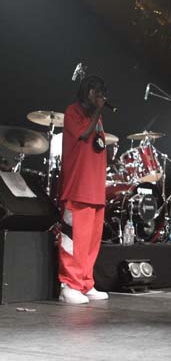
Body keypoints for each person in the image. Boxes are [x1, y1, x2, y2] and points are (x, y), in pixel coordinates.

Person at [57, 75, 110, 304]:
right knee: (74, 239)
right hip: (77, 188)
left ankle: (86, 282)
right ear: (87, 92)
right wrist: (98, 111)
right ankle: (68, 285)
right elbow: (84, 135)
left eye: (102, 93)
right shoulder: (73, 112)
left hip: (95, 189)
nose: (101, 97)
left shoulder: (96, 118)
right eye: (97, 92)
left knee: (90, 242)